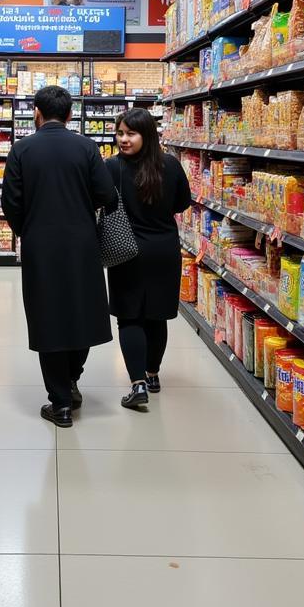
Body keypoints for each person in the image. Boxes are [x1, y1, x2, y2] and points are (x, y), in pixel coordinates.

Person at [1, 85, 115, 427]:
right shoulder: (87, 147)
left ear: (37, 112)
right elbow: (107, 194)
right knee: (82, 310)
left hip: (40, 246)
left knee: (47, 316)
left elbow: (10, 204)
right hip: (82, 244)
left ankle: (60, 402)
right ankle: (73, 377)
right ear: (69, 115)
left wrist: (28, 230)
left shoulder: (21, 150)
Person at [105, 107, 192, 410]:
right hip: (165, 250)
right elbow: (182, 203)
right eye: (120, 133)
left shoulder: (112, 168)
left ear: (147, 135)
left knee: (131, 317)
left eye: (130, 133)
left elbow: (99, 202)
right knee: (156, 316)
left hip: (126, 251)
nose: (123, 139)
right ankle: (152, 375)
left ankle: (138, 383)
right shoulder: (171, 165)